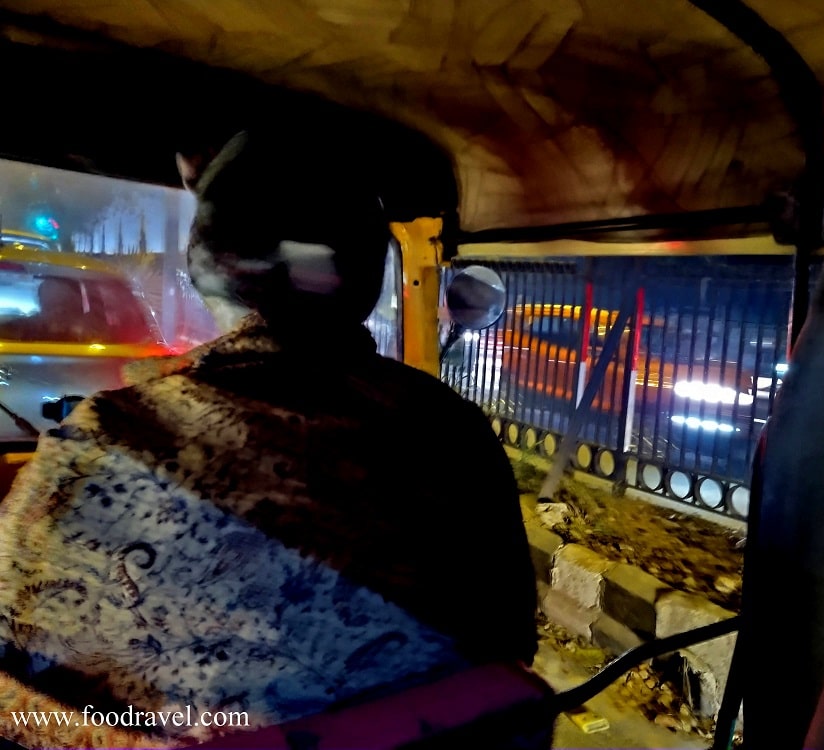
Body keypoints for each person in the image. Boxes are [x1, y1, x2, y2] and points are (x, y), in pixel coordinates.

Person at [0, 128, 542, 748]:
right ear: (369, 273)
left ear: (206, 268)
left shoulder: (107, 439)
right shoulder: (451, 435)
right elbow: (507, 649)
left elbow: (21, 697)